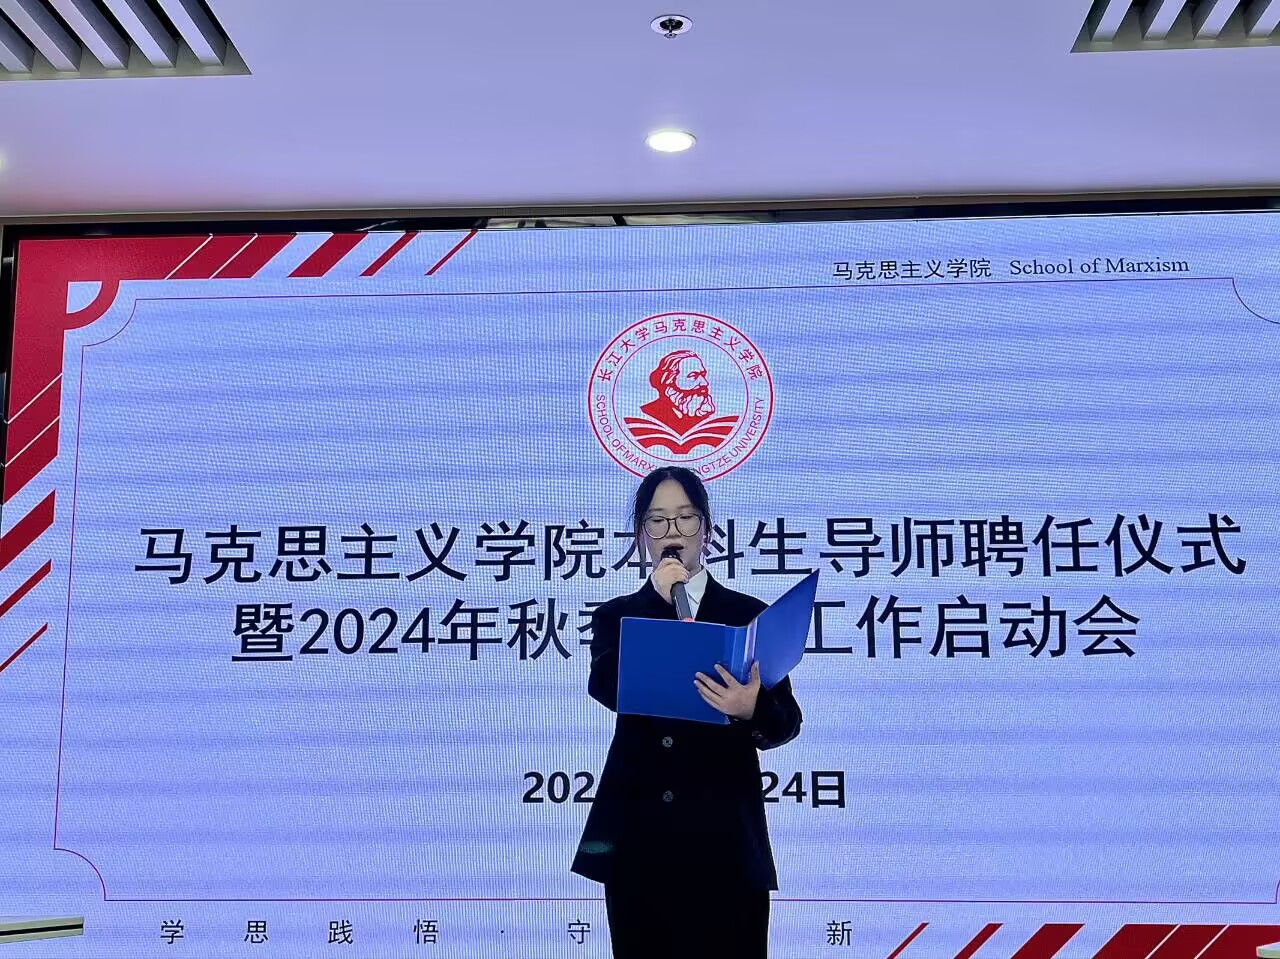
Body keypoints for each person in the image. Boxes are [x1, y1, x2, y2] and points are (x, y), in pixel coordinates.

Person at [571, 466, 803, 958]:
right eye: (657, 520)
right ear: (641, 537)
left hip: (725, 840)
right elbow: (605, 685)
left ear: (707, 530)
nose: (672, 531)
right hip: (639, 841)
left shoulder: (746, 614)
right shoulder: (617, 615)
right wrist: (658, 602)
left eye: (684, 518)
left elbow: (787, 721)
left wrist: (751, 707)